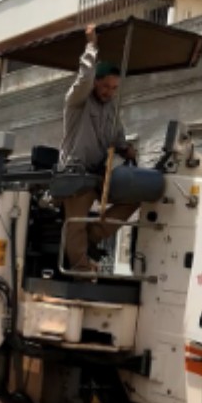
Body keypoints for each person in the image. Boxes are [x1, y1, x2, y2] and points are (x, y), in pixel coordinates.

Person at [59, 23, 139, 273]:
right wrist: (92, 46)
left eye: (114, 88)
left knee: (135, 197)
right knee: (76, 223)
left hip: (99, 177)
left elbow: (118, 138)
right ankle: (82, 270)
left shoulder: (112, 111)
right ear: (96, 83)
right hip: (76, 176)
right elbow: (84, 78)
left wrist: (127, 150)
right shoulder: (77, 102)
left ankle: (88, 237)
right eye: (105, 87)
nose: (109, 92)